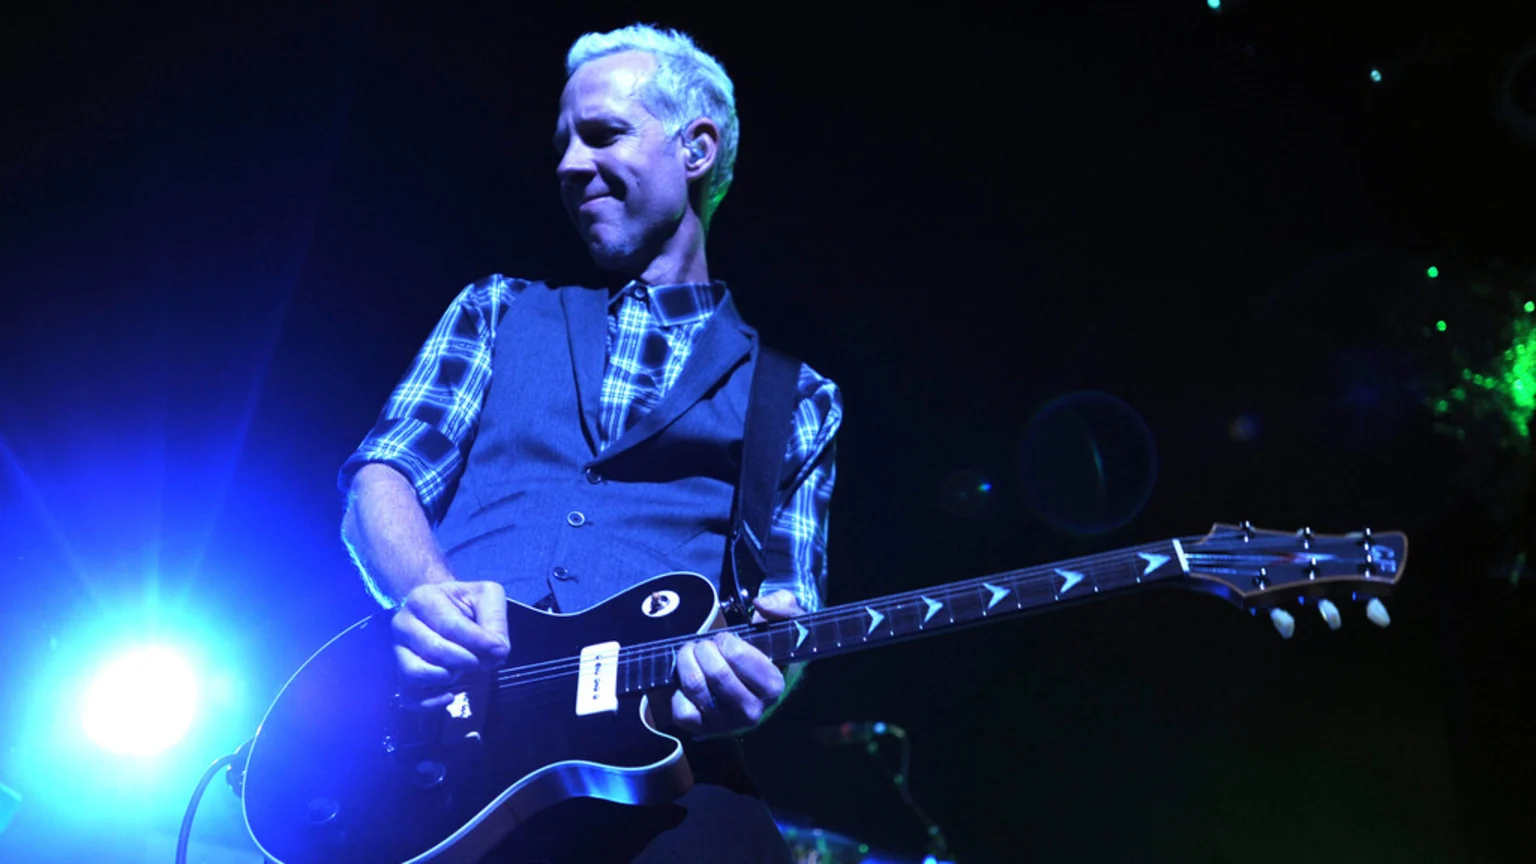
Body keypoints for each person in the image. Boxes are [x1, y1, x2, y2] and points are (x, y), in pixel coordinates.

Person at [337, 23, 842, 863]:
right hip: (431, 752)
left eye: (602, 133)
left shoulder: (799, 398)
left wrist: (754, 681)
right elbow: (383, 474)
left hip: (653, 774)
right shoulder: (497, 309)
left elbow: (786, 610)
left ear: (696, 148)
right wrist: (425, 593)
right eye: (563, 142)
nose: (570, 164)